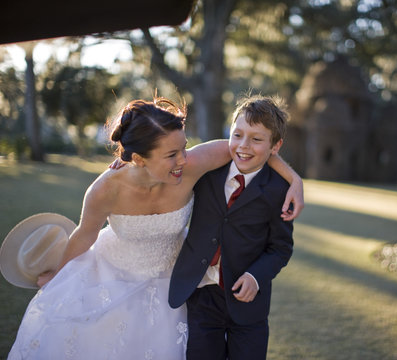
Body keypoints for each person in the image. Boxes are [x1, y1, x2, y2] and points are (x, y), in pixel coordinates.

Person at [5, 97, 303, 360]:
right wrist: (58, 276)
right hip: (113, 277)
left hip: (173, 281)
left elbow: (249, 148)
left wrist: (294, 181)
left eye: (183, 148)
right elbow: (85, 234)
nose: (183, 159)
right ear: (138, 158)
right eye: (171, 154)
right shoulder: (104, 191)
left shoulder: (194, 164)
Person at [168, 94, 295, 360]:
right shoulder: (208, 172)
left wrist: (255, 277)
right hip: (201, 292)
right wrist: (132, 161)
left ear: (276, 146)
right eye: (237, 135)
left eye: (257, 139)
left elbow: (280, 248)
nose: (244, 146)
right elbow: (166, 165)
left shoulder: (278, 190)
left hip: (248, 303)